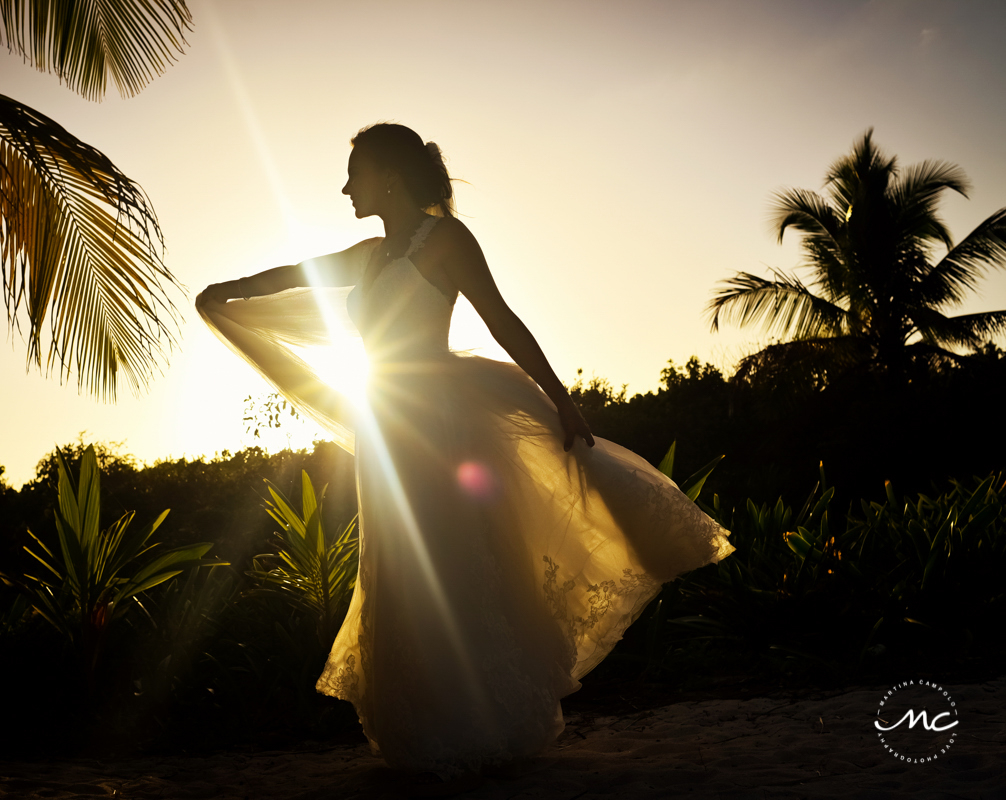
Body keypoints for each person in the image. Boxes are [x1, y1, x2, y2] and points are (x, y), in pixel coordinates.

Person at [196, 123, 735, 786]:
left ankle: (475, 724)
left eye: (354, 174)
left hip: (441, 425)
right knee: (399, 570)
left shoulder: (445, 239)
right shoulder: (370, 255)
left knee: (451, 564)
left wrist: (562, 398)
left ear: (388, 176)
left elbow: (502, 318)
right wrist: (230, 289)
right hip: (387, 427)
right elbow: (293, 276)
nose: (345, 187)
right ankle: (417, 724)